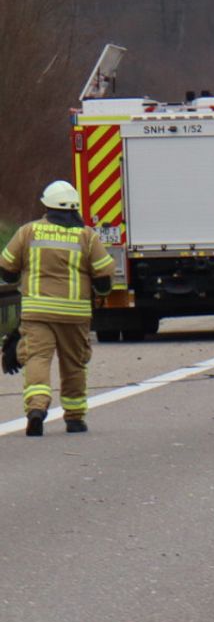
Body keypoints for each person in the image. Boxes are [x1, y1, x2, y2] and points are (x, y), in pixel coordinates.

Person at [0, 181, 114, 436]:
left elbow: (6, 268)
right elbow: (105, 276)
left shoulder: (28, 232)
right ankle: (74, 417)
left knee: (37, 358)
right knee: (73, 364)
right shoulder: (87, 236)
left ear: (47, 206)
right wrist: (101, 293)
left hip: (37, 312)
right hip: (75, 314)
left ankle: (36, 409)